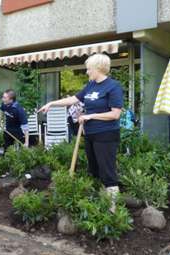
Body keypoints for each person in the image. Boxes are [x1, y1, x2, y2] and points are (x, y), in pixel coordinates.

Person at [39, 53, 123, 212]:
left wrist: (91, 115)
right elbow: (73, 100)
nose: (87, 72)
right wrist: (52, 103)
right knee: (94, 169)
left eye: (89, 69)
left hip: (106, 135)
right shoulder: (91, 85)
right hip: (90, 135)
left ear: (98, 68)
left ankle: (113, 210)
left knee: (107, 170)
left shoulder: (113, 86)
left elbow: (115, 114)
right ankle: (101, 202)